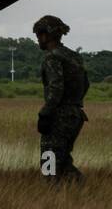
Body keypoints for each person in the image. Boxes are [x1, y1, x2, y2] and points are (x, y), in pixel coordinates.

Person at [33, 15, 89, 181]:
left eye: (38, 36)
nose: (38, 40)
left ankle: (51, 192)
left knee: (48, 159)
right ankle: (80, 191)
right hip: (75, 114)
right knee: (62, 161)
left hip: (59, 116)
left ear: (46, 35)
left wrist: (44, 114)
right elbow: (86, 85)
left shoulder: (52, 57)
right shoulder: (74, 56)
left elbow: (56, 89)